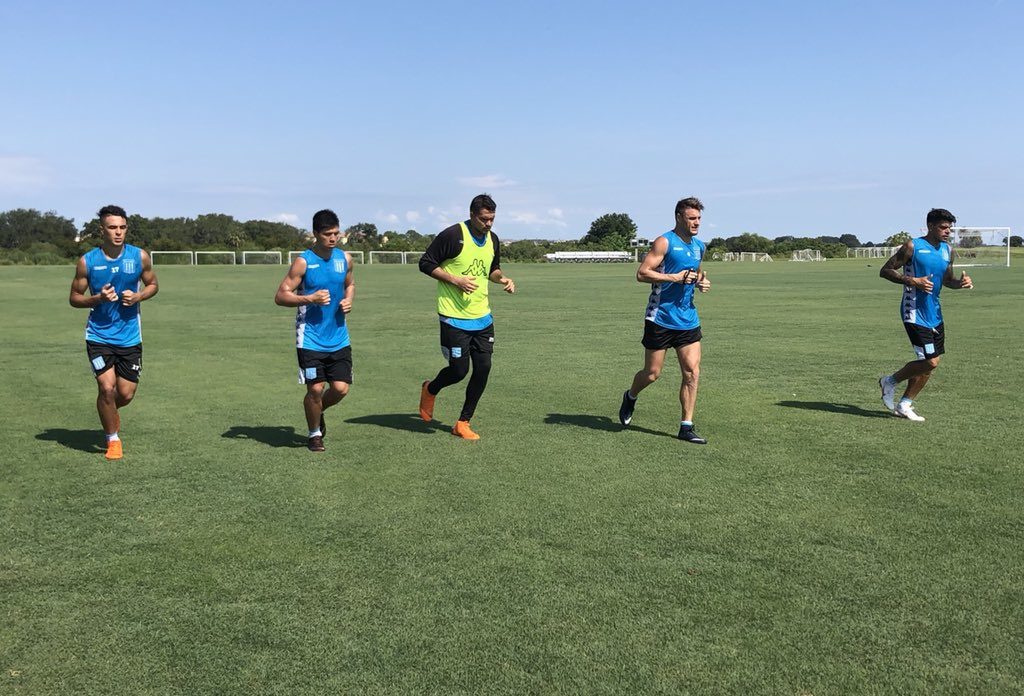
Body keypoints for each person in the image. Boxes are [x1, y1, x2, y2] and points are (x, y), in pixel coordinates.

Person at [417, 194, 515, 440]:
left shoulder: (492, 239)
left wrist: (502, 279)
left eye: (492, 219)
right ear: (472, 215)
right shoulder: (453, 235)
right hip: (453, 317)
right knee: (459, 371)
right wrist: (455, 279)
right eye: (484, 219)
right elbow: (425, 263)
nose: (489, 224)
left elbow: (492, 269)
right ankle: (431, 389)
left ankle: (463, 422)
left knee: (483, 368)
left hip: (482, 317)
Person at [618, 196, 711, 444]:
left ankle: (686, 426)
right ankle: (631, 396)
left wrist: (701, 281)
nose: (697, 223)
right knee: (652, 373)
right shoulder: (664, 242)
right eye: (692, 218)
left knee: (692, 373)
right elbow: (642, 274)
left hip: (688, 319)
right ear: (679, 217)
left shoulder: (699, 246)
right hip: (660, 317)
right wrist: (675, 278)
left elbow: (696, 273)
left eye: (699, 218)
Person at [69, 205, 159, 460]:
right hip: (98, 336)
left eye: (122, 227)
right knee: (106, 389)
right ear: (102, 230)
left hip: (130, 337)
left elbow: (153, 284)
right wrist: (96, 299)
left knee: (125, 394)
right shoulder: (88, 261)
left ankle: (106, 412)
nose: (118, 233)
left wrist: (139, 295)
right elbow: (74, 298)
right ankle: (113, 440)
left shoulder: (139, 256)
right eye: (112, 228)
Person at [878, 208, 973, 420]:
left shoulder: (948, 250)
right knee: (930, 361)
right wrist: (912, 281)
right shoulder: (913, 246)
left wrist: (960, 283)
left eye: (949, 228)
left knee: (929, 362)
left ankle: (905, 404)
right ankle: (889, 382)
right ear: (930, 226)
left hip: (935, 313)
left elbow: (947, 280)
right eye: (943, 227)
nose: (947, 231)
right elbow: (885, 271)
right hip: (914, 312)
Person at [274, 209, 355, 451]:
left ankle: (316, 411)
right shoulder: (304, 261)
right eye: (327, 234)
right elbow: (280, 296)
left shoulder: (345, 259)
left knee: (340, 389)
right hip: (309, 337)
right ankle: (314, 434)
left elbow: (350, 285)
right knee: (316, 389)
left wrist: (349, 300)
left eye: (336, 233)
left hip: (339, 336)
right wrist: (310, 298)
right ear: (315, 234)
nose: (333, 238)